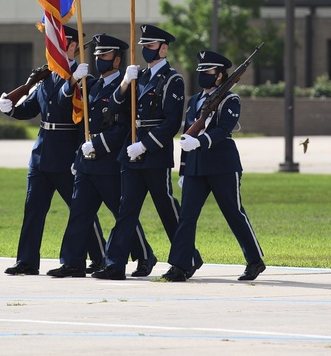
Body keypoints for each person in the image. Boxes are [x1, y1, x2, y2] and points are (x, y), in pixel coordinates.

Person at [91, 24, 200, 280]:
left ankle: (186, 261)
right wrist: (125, 83)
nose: (146, 51)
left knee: (167, 209)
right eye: (144, 47)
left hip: (154, 153)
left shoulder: (173, 79)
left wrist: (145, 144)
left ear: (163, 48)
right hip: (131, 152)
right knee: (126, 209)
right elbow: (116, 107)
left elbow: (171, 122)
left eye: (150, 47)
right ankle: (114, 264)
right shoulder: (137, 76)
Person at [46, 33, 157, 278]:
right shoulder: (92, 85)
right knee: (79, 212)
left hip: (110, 159)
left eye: (104, 55)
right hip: (87, 158)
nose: (99, 59)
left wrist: (99, 144)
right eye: (96, 55)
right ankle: (72, 262)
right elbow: (67, 109)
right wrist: (73, 81)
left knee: (121, 213)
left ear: (117, 61)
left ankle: (144, 255)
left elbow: (124, 126)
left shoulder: (128, 86)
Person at [0, 25, 106, 275]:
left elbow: (83, 121)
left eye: (58, 45)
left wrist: (80, 153)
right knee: (33, 209)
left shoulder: (84, 79)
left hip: (67, 153)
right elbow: (32, 109)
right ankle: (26, 260)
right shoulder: (47, 76)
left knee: (81, 209)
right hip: (41, 153)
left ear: (71, 46)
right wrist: (11, 108)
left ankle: (100, 256)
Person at [162, 49, 265, 282]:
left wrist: (200, 141)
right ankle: (181, 264)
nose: (202, 75)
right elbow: (188, 137)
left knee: (233, 214)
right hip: (196, 168)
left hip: (222, 165)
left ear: (220, 75)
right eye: (200, 71)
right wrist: (184, 169)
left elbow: (223, 130)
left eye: (207, 71)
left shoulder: (230, 99)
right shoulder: (194, 100)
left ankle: (255, 260)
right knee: (187, 216)